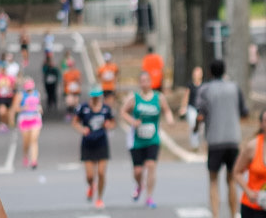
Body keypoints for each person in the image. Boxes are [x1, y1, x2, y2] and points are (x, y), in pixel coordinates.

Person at [195, 59, 247, 218]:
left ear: (210, 72)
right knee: (232, 180)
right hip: (233, 139)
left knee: (213, 181)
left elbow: (200, 113)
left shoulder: (205, 89)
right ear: (224, 71)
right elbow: (244, 111)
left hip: (215, 140)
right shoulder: (234, 88)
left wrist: (196, 129)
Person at [120, 71, 173, 208]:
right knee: (138, 171)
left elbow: (166, 110)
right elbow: (123, 112)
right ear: (139, 83)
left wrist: (169, 119)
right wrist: (132, 121)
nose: (144, 83)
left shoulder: (158, 97)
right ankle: (139, 185)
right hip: (136, 139)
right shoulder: (134, 97)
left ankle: (149, 197)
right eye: (142, 81)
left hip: (152, 138)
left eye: (147, 80)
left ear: (150, 82)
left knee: (151, 165)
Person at [72, 87, 115, 210]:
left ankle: (99, 198)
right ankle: (91, 186)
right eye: (93, 97)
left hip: (101, 143)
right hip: (88, 144)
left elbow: (113, 123)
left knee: (101, 173)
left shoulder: (106, 109)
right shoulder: (83, 108)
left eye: (98, 97)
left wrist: (108, 125)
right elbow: (75, 122)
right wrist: (82, 130)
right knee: (90, 175)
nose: (96, 99)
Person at [12, 77, 43, 170]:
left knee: (34, 140)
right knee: (26, 141)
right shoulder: (20, 95)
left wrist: (40, 109)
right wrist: (23, 108)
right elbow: (15, 108)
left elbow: (38, 105)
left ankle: (34, 160)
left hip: (35, 118)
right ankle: (25, 155)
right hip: (24, 119)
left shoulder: (37, 94)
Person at [178, 66, 203, 151]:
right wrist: (183, 107)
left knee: (201, 126)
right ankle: (194, 144)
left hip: (201, 108)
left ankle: (200, 143)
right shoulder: (190, 85)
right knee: (193, 124)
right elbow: (186, 96)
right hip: (192, 107)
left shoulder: (204, 85)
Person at [0, 64, 16, 133]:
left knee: (7, 112)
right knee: (2, 111)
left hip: (9, 97)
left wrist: (9, 88)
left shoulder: (10, 77)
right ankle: (2, 123)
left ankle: (6, 124)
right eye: (3, 69)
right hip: (1, 97)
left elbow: (13, 87)